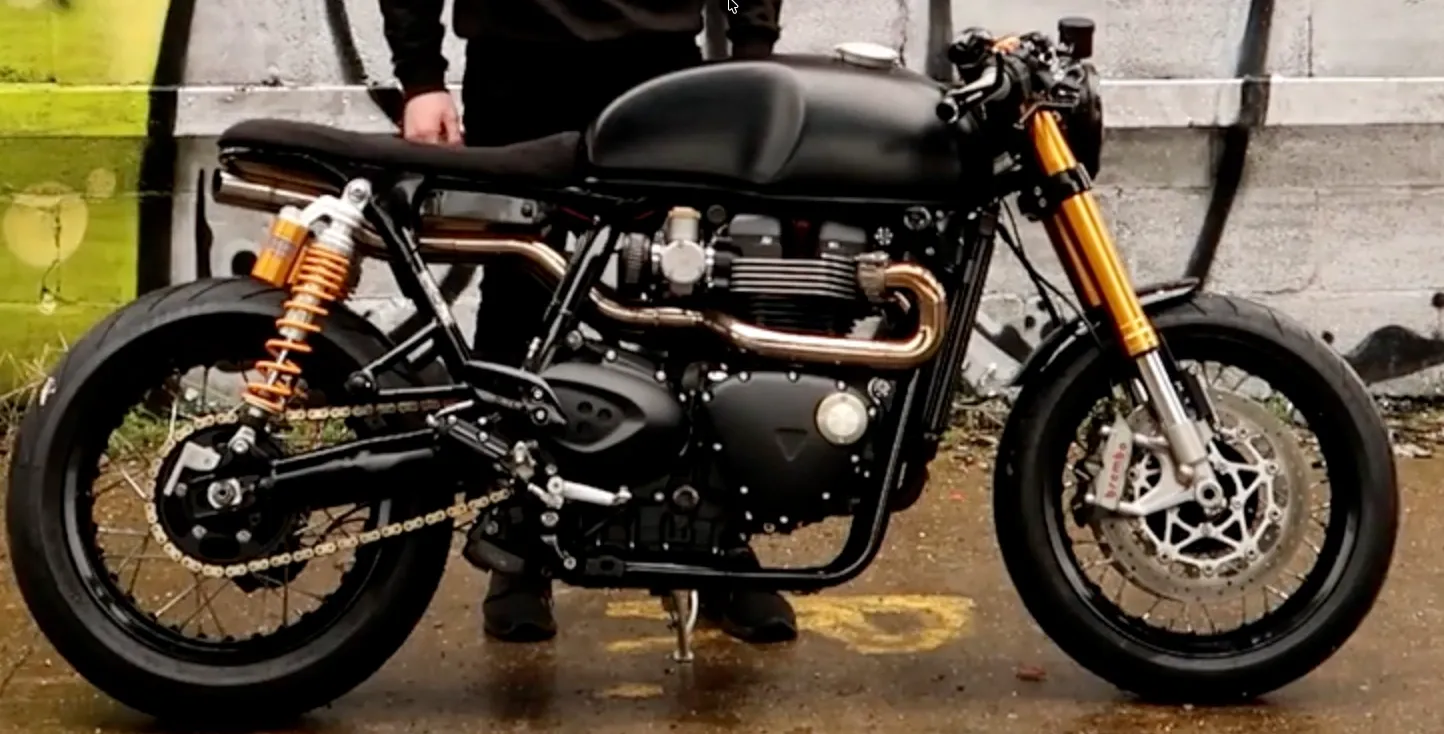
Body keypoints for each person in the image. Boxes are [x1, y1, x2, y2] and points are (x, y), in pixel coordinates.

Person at [378, 0, 797, 646]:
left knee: (689, 302)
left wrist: (751, 46)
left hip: (657, 70)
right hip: (515, 66)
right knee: (517, 300)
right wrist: (421, 77)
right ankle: (518, 544)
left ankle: (715, 544)